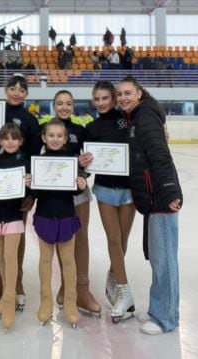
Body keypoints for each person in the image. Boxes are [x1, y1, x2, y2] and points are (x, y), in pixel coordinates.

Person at [116, 76, 182, 335]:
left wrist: (169, 192)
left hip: (161, 199)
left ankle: (166, 318)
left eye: (128, 93)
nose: (123, 98)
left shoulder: (146, 117)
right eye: (120, 94)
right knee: (158, 258)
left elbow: (160, 155)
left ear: (139, 93)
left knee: (164, 261)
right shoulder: (138, 117)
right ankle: (159, 309)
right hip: (153, 198)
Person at [0, 74, 42, 314]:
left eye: (22, 89)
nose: (17, 92)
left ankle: (16, 284)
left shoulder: (30, 120)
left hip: (19, 187)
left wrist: (32, 192)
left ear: (27, 93)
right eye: (12, 88)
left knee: (17, 236)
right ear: (5, 90)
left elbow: (36, 157)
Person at [80, 81, 136, 323]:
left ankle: (112, 278)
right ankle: (125, 291)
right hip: (105, 190)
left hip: (129, 191)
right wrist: (84, 162)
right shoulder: (91, 128)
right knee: (113, 239)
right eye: (97, 99)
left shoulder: (128, 119)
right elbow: (87, 166)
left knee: (122, 241)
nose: (101, 103)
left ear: (113, 99)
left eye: (105, 98)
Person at [44, 90, 101, 317]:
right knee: (62, 238)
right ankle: (67, 286)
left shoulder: (81, 131)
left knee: (81, 237)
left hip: (78, 193)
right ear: (54, 105)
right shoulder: (46, 129)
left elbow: (98, 156)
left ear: (73, 106)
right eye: (60, 103)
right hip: (55, 194)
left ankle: (82, 289)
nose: (64, 107)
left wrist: (86, 164)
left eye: (68, 103)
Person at [33, 119, 87, 328]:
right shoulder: (37, 160)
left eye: (59, 136)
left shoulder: (71, 160)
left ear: (65, 139)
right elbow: (36, 193)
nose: (55, 139)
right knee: (45, 260)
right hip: (45, 214)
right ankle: (46, 301)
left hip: (65, 215)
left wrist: (80, 185)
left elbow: (74, 190)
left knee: (68, 261)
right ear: (44, 138)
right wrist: (29, 184)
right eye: (51, 135)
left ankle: (70, 303)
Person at [0, 123, 31, 331]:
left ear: (20, 141)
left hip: (14, 214)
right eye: (6, 138)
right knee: (1, 256)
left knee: (11, 257)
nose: (10, 141)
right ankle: (4, 294)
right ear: (0, 141)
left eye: (14, 138)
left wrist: (30, 187)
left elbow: (33, 187)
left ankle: (10, 300)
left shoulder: (25, 161)